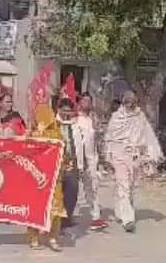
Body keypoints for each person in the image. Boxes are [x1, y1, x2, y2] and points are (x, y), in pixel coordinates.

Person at [103, 90, 162, 233]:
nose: (130, 104)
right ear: (123, 102)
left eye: (133, 101)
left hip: (134, 157)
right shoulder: (116, 117)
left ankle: (120, 211)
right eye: (128, 101)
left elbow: (148, 136)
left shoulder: (140, 116)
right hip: (119, 155)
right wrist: (108, 155)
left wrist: (152, 154)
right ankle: (128, 219)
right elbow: (109, 137)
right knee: (123, 185)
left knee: (129, 186)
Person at [27, 104, 67, 252]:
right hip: (37, 176)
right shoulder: (32, 134)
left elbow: (63, 152)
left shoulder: (56, 133)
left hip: (53, 176)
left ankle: (51, 237)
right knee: (37, 206)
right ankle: (36, 236)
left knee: (55, 207)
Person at [57, 97, 99, 236]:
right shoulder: (53, 124)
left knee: (72, 193)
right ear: (59, 110)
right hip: (57, 164)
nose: (66, 114)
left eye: (69, 111)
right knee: (58, 194)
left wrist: (83, 164)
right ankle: (58, 222)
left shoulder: (76, 125)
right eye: (64, 111)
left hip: (73, 163)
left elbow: (82, 145)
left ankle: (67, 218)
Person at [76, 93, 107, 231]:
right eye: (84, 101)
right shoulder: (74, 119)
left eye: (89, 101)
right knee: (71, 189)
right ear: (79, 102)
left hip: (91, 159)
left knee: (92, 188)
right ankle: (64, 217)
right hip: (75, 160)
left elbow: (98, 141)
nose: (87, 104)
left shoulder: (93, 120)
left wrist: (101, 159)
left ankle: (96, 217)